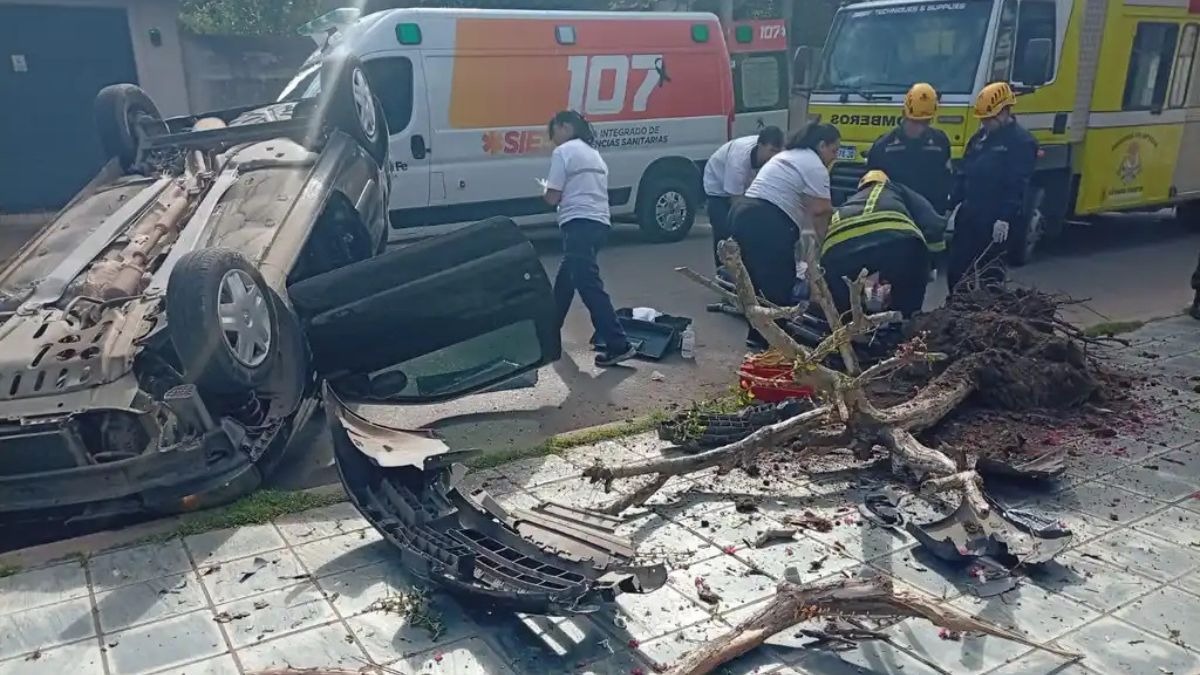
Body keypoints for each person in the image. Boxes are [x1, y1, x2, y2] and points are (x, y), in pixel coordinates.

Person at [731, 123, 840, 349]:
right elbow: (821, 212)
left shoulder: (790, 155)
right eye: (834, 150)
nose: (834, 157)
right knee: (778, 285)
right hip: (767, 219)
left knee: (757, 283)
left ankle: (758, 337)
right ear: (821, 145)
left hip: (744, 212)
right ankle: (772, 343)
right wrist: (828, 250)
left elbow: (808, 209)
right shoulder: (814, 166)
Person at [542, 110, 636, 367]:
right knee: (566, 281)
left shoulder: (564, 152)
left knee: (587, 284)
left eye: (554, 133)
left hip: (578, 223)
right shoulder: (592, 153)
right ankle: (547, 334)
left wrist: (544, 191)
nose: (554, 140)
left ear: (563, 127)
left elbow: (552, 196)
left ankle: (619, 344)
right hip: (599, 223)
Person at [945, 82, 1037, 293]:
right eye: (983, 119)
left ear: (1004, 112)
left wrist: (1004, 218)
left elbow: (1017, 184)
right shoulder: (979, 139)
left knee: (991, 274)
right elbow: (964, 173)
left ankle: (989, 316)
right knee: (958, 270)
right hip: (970, 214)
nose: (985, 123)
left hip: (996, 218)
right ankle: (958, 311)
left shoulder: (1021, 142)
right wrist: (951, 205)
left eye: (989, 118)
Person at [820, 170, 946, 318]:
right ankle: (905, 327)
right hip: (897, 243)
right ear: (887, 182)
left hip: (837, 251)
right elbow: (934, 224)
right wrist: (932, 263)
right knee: (907, 299)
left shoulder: (850, 201)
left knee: (843, 309)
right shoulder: (897, 190)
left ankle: (845, 332)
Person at [703, 126, 785, 268]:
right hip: (719, 188)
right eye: (771, 151)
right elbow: (736, 201)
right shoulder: (738, 160)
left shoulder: (777, 157)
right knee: (725, 232)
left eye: (777, 152)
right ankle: (724, 273)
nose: (774, 156)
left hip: (747, 187)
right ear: (760, 146)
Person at [865, 82, 951, 214]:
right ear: (904, 115)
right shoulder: (884, 145)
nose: (919, 128)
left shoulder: (940, 141)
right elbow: (871, 186)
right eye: (915, 122)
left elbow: (946, 177)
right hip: (896, 214)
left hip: (930, 215)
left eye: (925, 122)